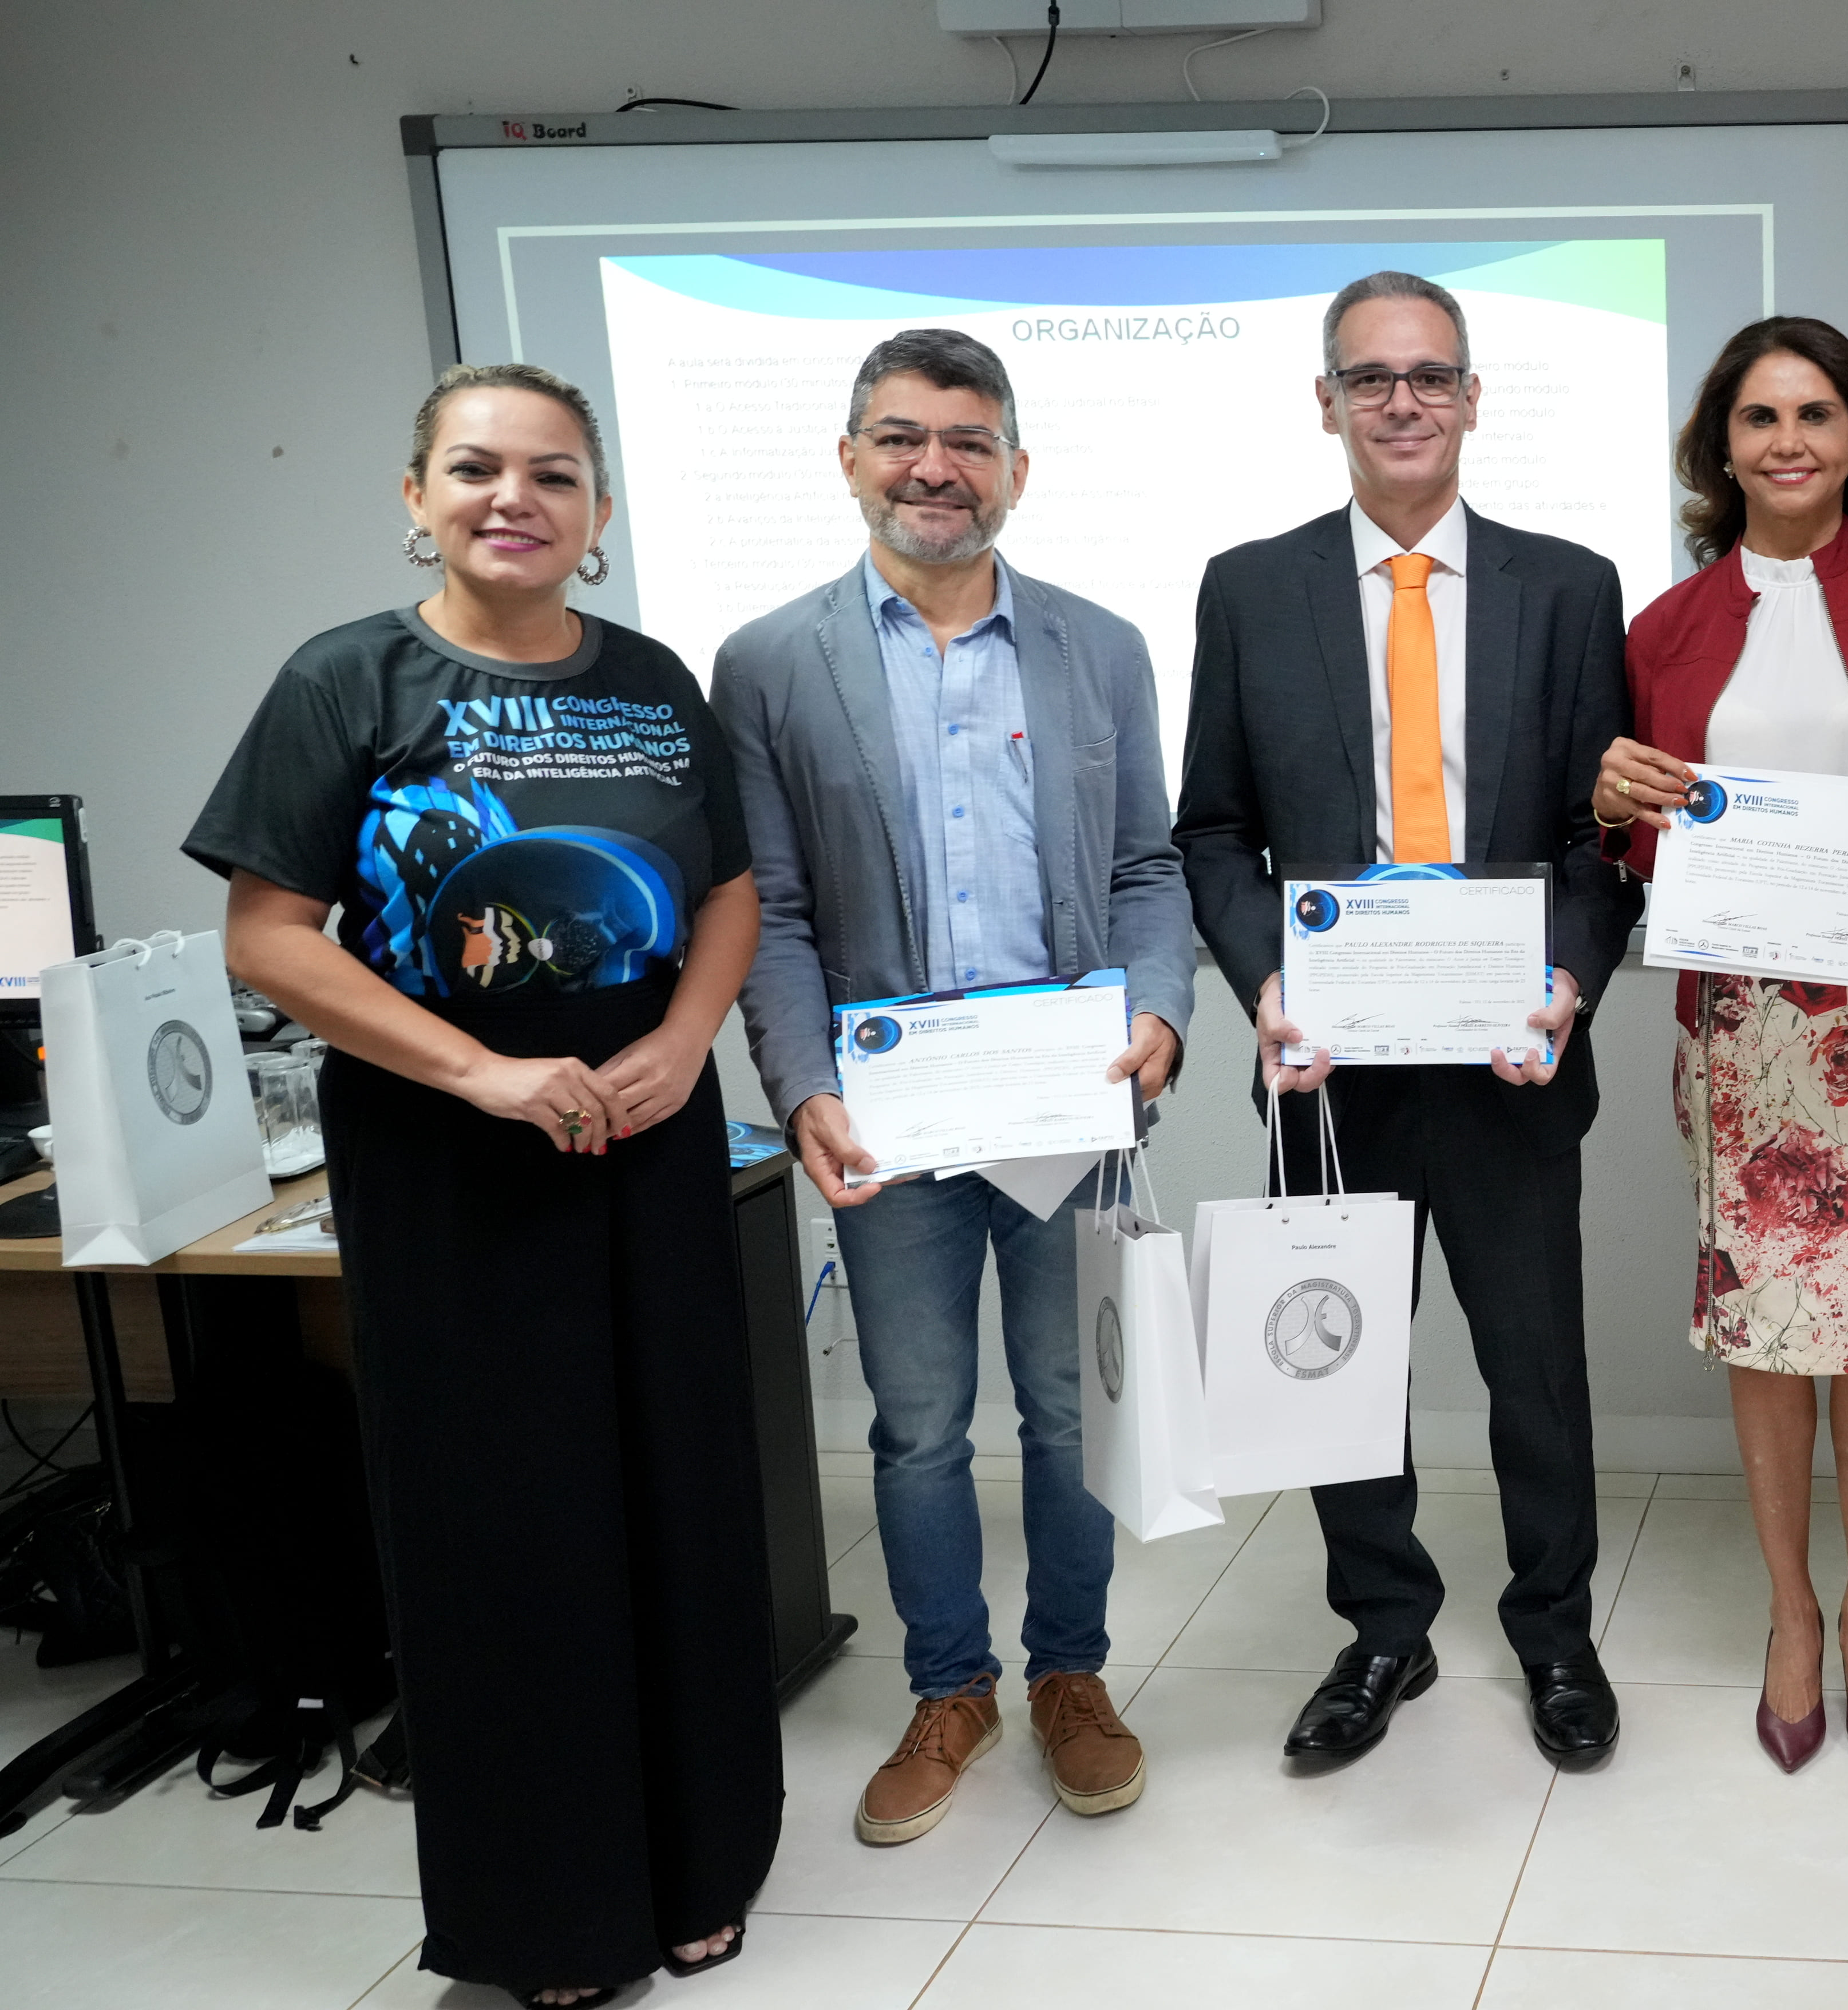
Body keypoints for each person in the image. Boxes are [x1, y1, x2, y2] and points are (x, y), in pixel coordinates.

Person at [192, 363, 774, 2007]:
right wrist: (480, 1073)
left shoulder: (654, 680)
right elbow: (269, 936)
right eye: (474, 469)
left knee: (678, 1493)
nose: (513, 497)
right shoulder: (346, 679)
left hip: (647, 1142)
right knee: (506, 1529)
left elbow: (730, 894)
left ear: (599, 513)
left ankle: (698, 1865)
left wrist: (685, 1040)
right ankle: (551, 1916)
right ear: (417, 496)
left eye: (553, 474)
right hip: (452, 1159)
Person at [717, 329, 1194, 1847]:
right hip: (894, 1120)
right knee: (918, 1427)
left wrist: (1162, 1010)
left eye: (970, 441)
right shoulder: (770, 662)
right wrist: (803, 1085)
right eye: (903, 437)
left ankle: (1070, 1675)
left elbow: (1147, 868)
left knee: (1066, 1411)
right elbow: (774, 909)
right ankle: (950, 1690)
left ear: (1017, 470)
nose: (937, 467)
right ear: (850, 458)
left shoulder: (1099, 646)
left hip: (1066, 1105)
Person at [1175, 271, 1644, 1771]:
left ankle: (1554, 1633)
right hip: (1334, 1069)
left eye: (1430, 375)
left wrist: (1570, 981)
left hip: (1514, 1060)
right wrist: (1266, 983)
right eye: (1370, 378)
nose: (1402, 402)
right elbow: (1213, 831)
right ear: (1325, 403)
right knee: (1341, 1361)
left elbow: (1597, 838)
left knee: (1537, 1375)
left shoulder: (1568, 588)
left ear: (1473, 399)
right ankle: (1385, 1629)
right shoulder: (1250, 588)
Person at [1593, 318, 1848, 1774]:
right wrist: (1614, 808)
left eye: (1816, 414)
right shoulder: (1665, 627)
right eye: (1760, 416)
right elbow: (1646, 845)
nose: (1788, 441)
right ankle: (1790, 1611)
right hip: (1738, 1031)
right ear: (1721, 444)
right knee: (1761, 1332)